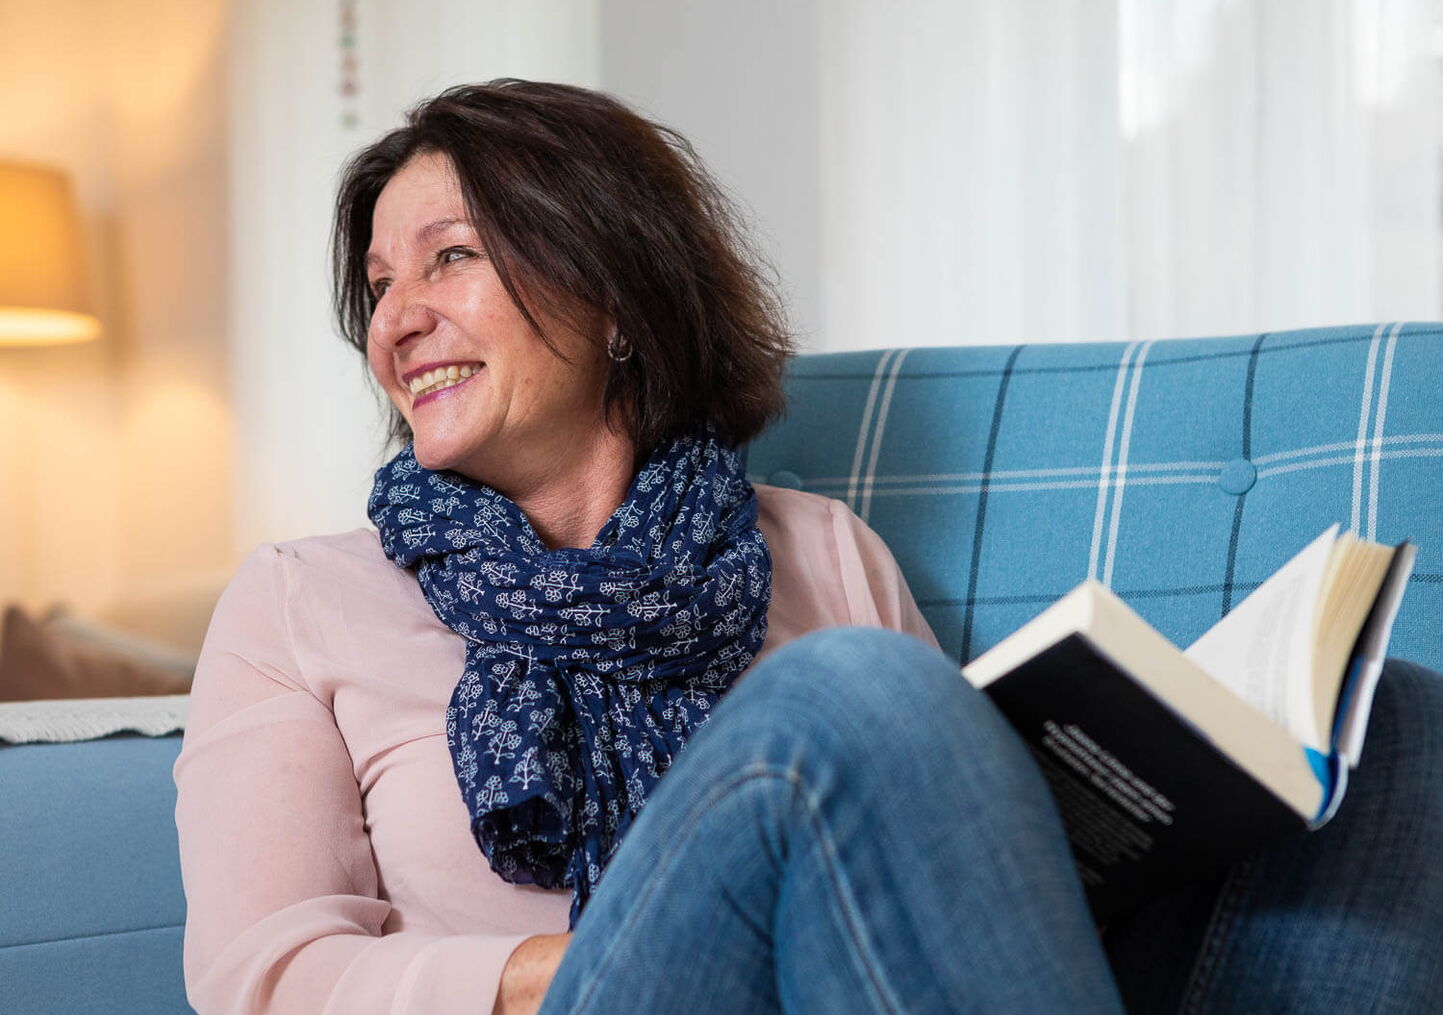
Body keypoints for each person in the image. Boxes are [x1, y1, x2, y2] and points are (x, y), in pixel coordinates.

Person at [175, 80, 1443, 1015]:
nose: (398, 318)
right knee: (848, 697)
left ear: (617, 294)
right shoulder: (300, 604)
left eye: (449, 258)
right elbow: (264, 974)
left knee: (1399, 723)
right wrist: (565, 968)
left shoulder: (822, 550)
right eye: (380, 284)